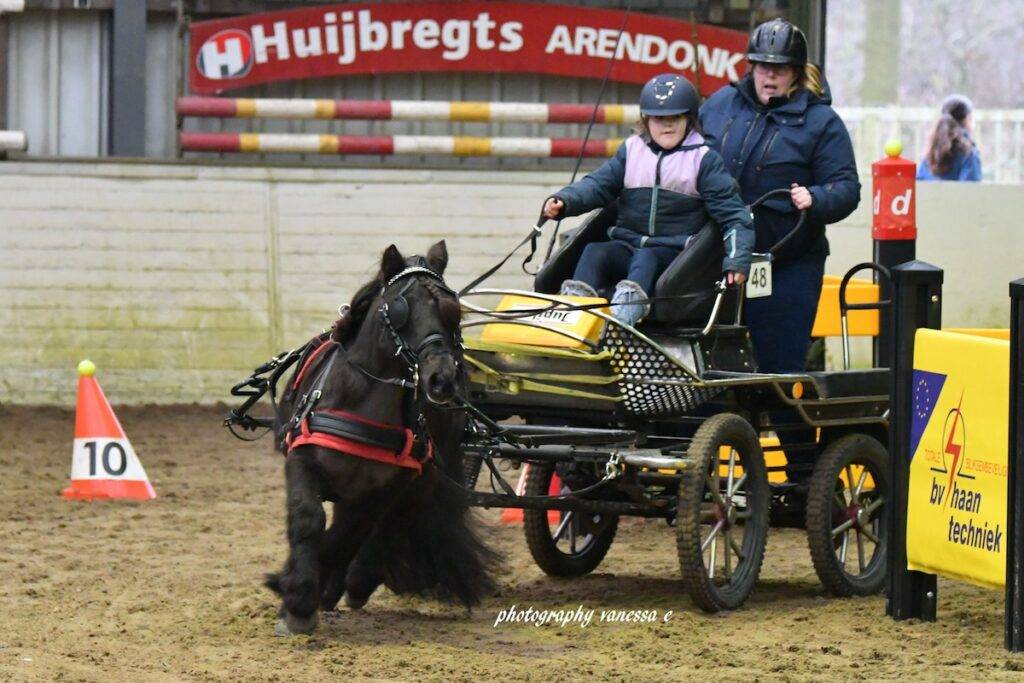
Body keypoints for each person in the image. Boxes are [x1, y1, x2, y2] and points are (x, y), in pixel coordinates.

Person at [699, 18, 860, 483]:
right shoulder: (720, 105)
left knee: (780, 370)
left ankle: (804, 478)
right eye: (762, 65)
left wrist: (817, 198)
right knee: (703, 364)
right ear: (750, 65)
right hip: (719, 258)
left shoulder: (822, 123)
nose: (769, 75)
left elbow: (846, 188)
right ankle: (696, 473)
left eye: (780, 67)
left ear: (797, 72)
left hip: (786, 261)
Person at [542, 73, 754, 327]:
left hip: (674, 254)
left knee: (646, 257)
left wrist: (737, 260)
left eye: (675, 118)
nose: (667, 126)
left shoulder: (703, 160)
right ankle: (573, 316)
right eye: (659, 119)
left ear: (689, 119)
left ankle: (621, 324)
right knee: (594, 251)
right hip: (627, 243)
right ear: (646, 120)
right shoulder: (632, 150)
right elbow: (598, 184)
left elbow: (734, 216)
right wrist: (565, 200)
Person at [917, 95, 982, 182]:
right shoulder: (969, 154)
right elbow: (972, 188)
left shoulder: (930, 154)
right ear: (967, 120)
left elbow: (919, 183)